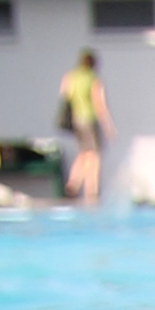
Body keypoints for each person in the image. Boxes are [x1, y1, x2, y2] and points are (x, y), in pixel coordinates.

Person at [58, 49, 112, 202]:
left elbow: (64, 94)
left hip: (76, 120)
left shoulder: (71, 76)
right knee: (94, 155)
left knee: (83, 152)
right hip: (89, 118)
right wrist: (108, 126)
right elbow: (99, 103)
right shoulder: (93, 78)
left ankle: (73, 183)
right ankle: (91, 190)